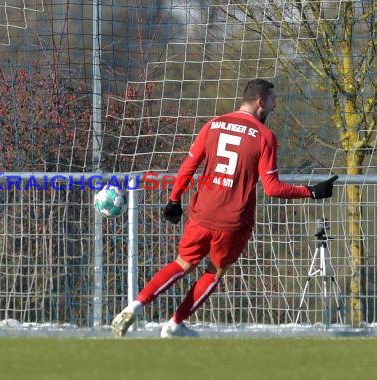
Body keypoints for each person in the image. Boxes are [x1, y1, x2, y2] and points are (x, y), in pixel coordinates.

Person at [111, 79, 338, 338]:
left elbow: (189, 166)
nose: (276, 105)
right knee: (214, 272)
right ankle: (175, 325)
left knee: (182, 264)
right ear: (260, 101)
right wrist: (310, 192)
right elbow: (273, 188)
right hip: (233, 222)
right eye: (273, 100)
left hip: (201, 213)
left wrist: (175, 200)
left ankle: (136, 305)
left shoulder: (213, 124)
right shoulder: (265, 137)